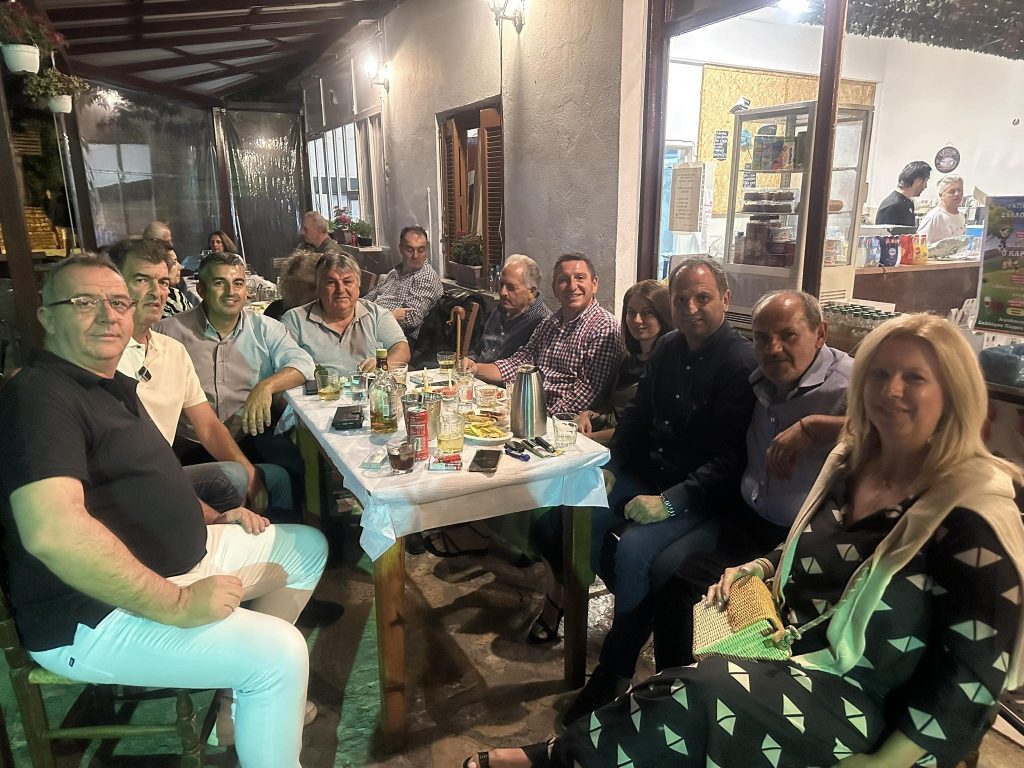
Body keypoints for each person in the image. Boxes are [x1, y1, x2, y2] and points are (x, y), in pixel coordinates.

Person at [464, 313, 1024, 768]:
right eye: (879, 374)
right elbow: (810, 545)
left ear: (955, 394)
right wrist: (762, 567)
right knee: (676, 677)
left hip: (869, 707)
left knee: (698, 678)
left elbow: (972, 679)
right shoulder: (854, 463)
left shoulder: (970, 513)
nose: (891, 390)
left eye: (915, 378)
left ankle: (557, 753)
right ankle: (586, 721)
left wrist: (885, 763)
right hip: (791, 646)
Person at [0, 254, 328, 768]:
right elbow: (53, 533)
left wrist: (213, 516)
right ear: (47, 317)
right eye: (84, 302)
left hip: (171, 565)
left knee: (305, 547)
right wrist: (177, 603)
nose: (108, 316)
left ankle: (238, 705)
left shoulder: (108, 384)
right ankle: (259, 689)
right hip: (93, 614)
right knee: (280, 653)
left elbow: (153, 480)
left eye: (118, 303)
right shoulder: (39, 397)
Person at [551, 257, 757, 724]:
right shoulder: (666, 346)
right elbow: (638, 416)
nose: (690, 307)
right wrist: (613, 466)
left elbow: (731, 459)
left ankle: (615, 669)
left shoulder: (739, 361)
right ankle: (634, 615)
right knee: (580, 513)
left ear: (725, 300)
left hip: (700, 494)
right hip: (649, 473)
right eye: (681, 299)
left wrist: (669, 502)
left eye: (702, 297)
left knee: (634, 551)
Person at [649, 290, 850, 672]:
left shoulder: (847, 383)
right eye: (762, 338)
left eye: (788, 335)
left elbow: (904, 433)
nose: (773, 348)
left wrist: (816, 426)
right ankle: (671, 687)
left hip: (796, 543)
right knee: (679, 587)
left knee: (749, 625)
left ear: (820, 334)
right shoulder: (756, 377)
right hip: (745, 524)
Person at [109, 239, 293, 519]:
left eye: (162, 282)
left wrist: (251, 476)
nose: (156, 292)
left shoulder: (170, 349)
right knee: (233, 478)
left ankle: (276, 539)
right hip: (131, 483)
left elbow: (208, 426)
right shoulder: (105, 356)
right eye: (141, 280)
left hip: (175, 465)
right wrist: (213, 517)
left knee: (275, 476)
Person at [157, 252, 315, 517]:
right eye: (220, 283)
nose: (231, 292)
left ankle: (289, 532)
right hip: (191, 440)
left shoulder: (266, 329)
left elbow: (303, 364)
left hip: (249, 434)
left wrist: (266, 386)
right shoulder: (168, 333)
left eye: (238, 283)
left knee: (296, 466)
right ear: (202, 290)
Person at [463, 253, 626, 415]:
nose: (572, 286)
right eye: (563, 280)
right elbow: (519, 363)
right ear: (554, 288)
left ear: (594, 284)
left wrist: (538, 416)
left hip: (560, 422)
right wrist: (475, 368)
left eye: (580, 278)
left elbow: (586, 394)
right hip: (530, 409)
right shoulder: (550, 323)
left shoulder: (604, 327)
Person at [577, 279, 671, 446]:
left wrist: (590, 439)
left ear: (663, 315)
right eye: (631, 312)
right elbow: (613, 407)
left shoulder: (666, 364)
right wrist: (587, 414)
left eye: (647, 313)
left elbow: (642, 426)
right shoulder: (630, 360)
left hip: (631, 447)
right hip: (605, 437)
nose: (637, 320)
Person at [281, 252, 411, 372]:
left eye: (347, 282)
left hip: (367, 388)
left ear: (358, 285)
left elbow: (402, 349)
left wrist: (383, 364)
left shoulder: (377, 315)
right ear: (319, 287)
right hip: (320, 390)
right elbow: (283, 365)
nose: (341, 290)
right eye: (331, 283)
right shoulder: (294, 320)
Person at [365, 225, 443, 341]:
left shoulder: (426, 277)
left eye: (421, 250)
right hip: (372, 327)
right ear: (401, 248)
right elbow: (369, 298)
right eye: (410, 250)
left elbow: (412, 319)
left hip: (396, 337)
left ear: (426, 248)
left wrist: (378, 317)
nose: (415, 256)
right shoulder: (394, 272)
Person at [471, 254, 551, 364]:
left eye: (511, 287)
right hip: (476, 371)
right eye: (501, 285)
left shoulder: (543, 323)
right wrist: (468, 361)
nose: (502, 292)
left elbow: (524, 368)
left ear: (531, 291)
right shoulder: (499, 310)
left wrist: (477, 368)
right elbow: (478, 351)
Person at [264, 249, 320, 321]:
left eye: (311, 286)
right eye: (297, 283)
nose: (300, 290)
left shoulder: (327, 316)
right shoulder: (276, 309)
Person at [875, 161, 931, 227]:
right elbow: (882, 233)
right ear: (917, 180)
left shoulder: (908, 203)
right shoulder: (892, 206)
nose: (925, 186)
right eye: (925, 181)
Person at [917, 174, 967, 244]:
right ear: (941, 195)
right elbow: (919, 244)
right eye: (952, 191)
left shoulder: (961, 216)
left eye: (959, 190)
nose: (957, 194)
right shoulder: (934, 217)